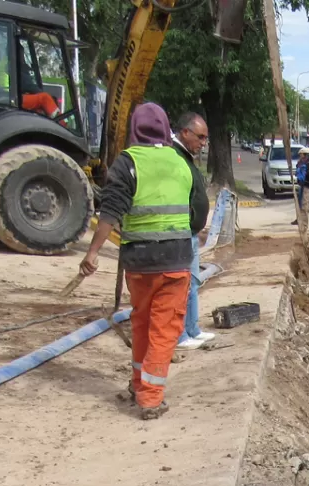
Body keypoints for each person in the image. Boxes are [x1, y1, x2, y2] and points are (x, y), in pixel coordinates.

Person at [79, 103, 202, 420]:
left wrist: (92, 253)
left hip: (138, 263)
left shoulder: (126, 163)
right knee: (164, 332)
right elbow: (197, 209)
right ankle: (150, 398)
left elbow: (110, 212)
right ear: (166, 130)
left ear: (135, 129)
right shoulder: (181, 163)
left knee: (143, 324)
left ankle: (139, 384)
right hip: (174, 261)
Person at [171, 111, 215, 352]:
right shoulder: (175, 157)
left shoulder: (185, 156)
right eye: (200, 137)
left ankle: (192, 329)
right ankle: (180, 334)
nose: (203, 143)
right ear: (185, 132)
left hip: (191, 232)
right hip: (182, 233)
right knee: (182, 286)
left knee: (193, 283)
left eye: (205, 138)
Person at [293, 150, 309, 223]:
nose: (300, 156)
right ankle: (299, 219)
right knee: (300, 202)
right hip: (302, 184)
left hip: (307, 184)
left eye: (301, 154)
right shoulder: (300, 163)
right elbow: (298, 172)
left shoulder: (308, 163)